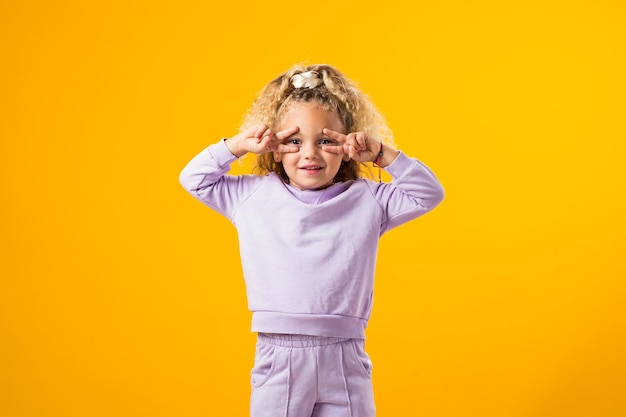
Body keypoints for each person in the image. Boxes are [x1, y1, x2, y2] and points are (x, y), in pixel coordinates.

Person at [179, 63, 444, 417]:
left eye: (325, 141)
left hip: (345, 354)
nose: (310, 153)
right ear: (274, 147)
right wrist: (238, 145)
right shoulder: (252, 197)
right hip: (279, 355)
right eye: (293, 141)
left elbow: (429, 193)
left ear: (347, 146)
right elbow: (193, 178)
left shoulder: (369, 199)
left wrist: (381, 154)